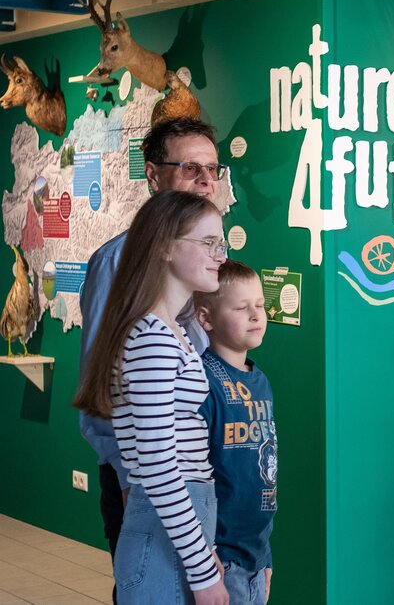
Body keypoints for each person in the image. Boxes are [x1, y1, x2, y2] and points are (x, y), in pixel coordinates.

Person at [77, 118, 225, 601]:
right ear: (154, 175)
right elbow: (107, 392)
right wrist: (129, 479)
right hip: (147, 487)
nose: (205, 181)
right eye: (190, 168)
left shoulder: (186, 291)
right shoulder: (122, 272)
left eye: (212, 169)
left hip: (182, 494)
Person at [194, 260, 277, 605]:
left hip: (254, 554)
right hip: (219, 557)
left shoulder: (261, 381)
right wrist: (203, 554)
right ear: (206, 318)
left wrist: (265, 556)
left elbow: (264, 474)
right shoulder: (202, 381)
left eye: (260, 304)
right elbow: (191, 476)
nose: (256, 315)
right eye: (242, 308)